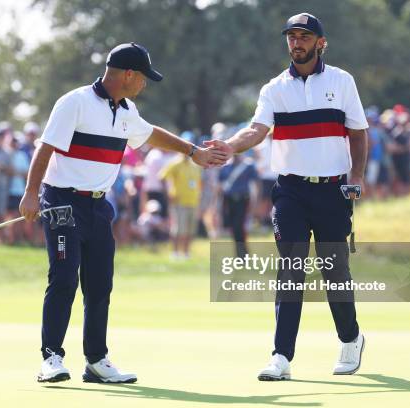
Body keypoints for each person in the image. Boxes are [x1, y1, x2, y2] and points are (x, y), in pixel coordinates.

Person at [19, 42, 226, 384]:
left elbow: (150, 134)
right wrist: (30, 194)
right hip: (61, 202)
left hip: (99, 206)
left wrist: (192, 151)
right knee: (65, 276)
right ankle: (51, 358)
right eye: (144, 78)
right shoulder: (75, 102)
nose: (145, 84)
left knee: (100, 283)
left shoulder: (126, 110)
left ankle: (96, 360)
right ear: (128, 74)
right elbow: (46, 148)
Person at [207, 13, 369, 381]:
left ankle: (350, 338)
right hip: (290, 190)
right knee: (290, 271)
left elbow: (357, 133)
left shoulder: (342, 82)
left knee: (334, 271)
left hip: (332, 189)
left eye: (305, 37)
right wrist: (230, 147)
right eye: (292, 37)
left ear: (320, 43)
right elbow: (256, 130)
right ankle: (281, 356)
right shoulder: (274, 88)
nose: (297, 43)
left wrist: (356, 175)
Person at [159, 151, 202, 259]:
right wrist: (168, 194)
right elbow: (162, 177)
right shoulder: (175, 163)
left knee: (190, 229)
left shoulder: (195, 165)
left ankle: (186, 252)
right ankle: (175, 252)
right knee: (178, 229)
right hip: (179, 202)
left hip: (193, 202)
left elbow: (199, 183)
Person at [218, 153, 259, 257]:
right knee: (233, 227)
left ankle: (242, 254)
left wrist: (255, 201)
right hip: (228, 200)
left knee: (238, 226)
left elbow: (256, 184)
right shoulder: (226, 167)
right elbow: (220, 186)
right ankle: (241, 253)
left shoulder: (248, 166)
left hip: (243, 200)